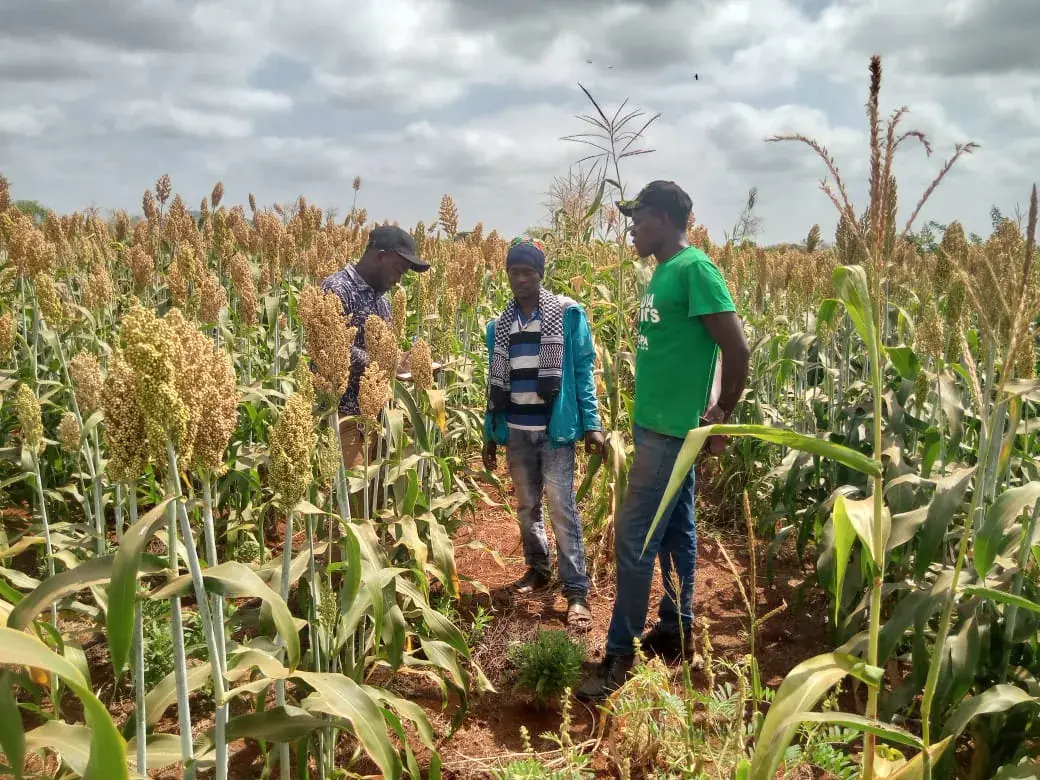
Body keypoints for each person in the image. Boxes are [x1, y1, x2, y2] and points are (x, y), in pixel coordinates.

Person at [576, 181, 751, 701]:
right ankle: (675, 629)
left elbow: (736, 347)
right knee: (676, 531)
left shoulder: (695, 269)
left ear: (669, 218)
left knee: (633, 537)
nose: (631, 224)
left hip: (673, 432)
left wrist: (722, 413)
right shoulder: (662, 273)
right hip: (657, 426)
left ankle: (619, 655)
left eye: (640, 214)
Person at [482, 237, 605, 629]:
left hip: (555, 432)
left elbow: (584, 372)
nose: (520, 279)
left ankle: (576, 592)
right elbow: (494, 384)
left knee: (561, 509)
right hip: (517, 431)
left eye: (527, 272)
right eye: (513, 272)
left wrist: (593, 425)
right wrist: (490, 432)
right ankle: (538, 569)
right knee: (526, 506)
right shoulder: (498, 327)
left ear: (540, 274)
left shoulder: (567, 315)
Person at [321, 224, 430, 467]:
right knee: (351, 493)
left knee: (374, 493)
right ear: (381, 256)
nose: (399, 280)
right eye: (398, 270)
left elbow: (384, 353)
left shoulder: (382, 302)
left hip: (376, 415)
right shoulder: (337, 289)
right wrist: (382, 363)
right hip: (342, 415)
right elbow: (329, 349)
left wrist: (408, 362)